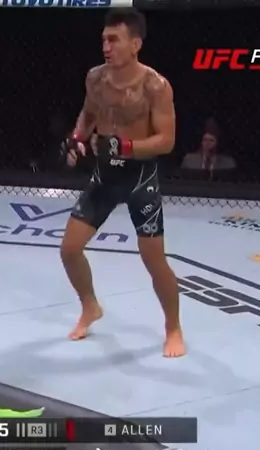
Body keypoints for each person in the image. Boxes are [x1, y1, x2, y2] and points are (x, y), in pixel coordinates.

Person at [60, 8, 185, 357]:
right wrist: (76, 138)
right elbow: (88, 114)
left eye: (114, 40)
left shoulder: (155, 86)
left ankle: (173, 327)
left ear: (135, 44)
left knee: (153, 260)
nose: (106, 46)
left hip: (139, 178)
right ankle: (90, 306)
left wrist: (126, 147)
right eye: (104, 39)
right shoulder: (95, 78)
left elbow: (166, 140)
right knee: (69, 249)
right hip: (106, 175)